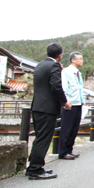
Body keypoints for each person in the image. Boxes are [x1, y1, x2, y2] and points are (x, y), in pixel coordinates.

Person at [26, 43, 71, 180]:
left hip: (37, 106)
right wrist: (64, 102)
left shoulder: (39, 65)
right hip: (47, 108)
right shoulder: (54, 66)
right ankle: (35, 169)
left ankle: (33, 166)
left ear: (46, 54)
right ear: (60, 56)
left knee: (40, 136)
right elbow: (56, 86)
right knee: (44, 138)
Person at [58, 51, 85, 160]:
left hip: (78, 103)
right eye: (80, 59)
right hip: (70, 104)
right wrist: (66, 101)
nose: (82, 61)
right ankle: (63, 152)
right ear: (72, 60)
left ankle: (69, 150)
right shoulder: (66, 72)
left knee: (74, 128)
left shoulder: (79, 73)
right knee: (67, 128)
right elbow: (64, 88)